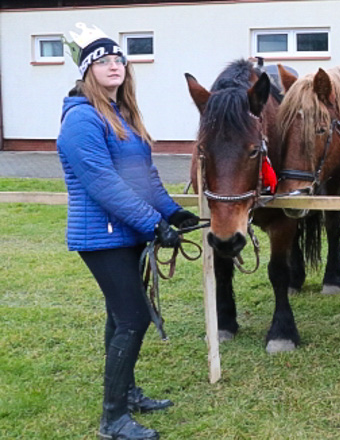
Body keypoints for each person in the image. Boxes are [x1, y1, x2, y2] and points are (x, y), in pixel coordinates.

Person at [57, 23, 199, 440]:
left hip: (126, 233)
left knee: (119, 317)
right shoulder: (82, 119)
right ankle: (112, 419)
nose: (114, 64)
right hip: (101, 237)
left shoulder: (123, 115)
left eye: (118, 58)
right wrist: (152, 223)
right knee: (133, 319)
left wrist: (173, 214)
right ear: (88, 71)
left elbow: (144, 178)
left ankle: (128, 393)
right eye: (102, 60)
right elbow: (104, 184)